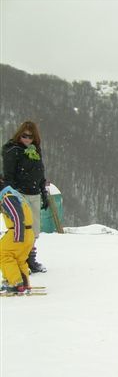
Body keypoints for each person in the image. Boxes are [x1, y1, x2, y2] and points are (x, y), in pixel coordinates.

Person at [1, 120, 47, 273]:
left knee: (33, 231)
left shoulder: (35, 151)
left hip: (34, 194)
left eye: (31, 137)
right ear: (19, 135)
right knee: (21, 230)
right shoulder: (13, 150)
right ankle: (20, 260)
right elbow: (8, 175)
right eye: (24, 136)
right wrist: (12, 196)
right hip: (20, 194)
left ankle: (30, 259)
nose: (27, 139)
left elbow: (40, 173)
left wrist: (44, 193)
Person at [0, 177, 35, 294]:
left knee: (3, 253)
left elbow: (17, 215)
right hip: (28, 232)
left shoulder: (7, 197)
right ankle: (23, 283)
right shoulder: (13, 194)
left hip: (19, 231)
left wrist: (18, 236)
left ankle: (15, 282)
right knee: (19, 259)